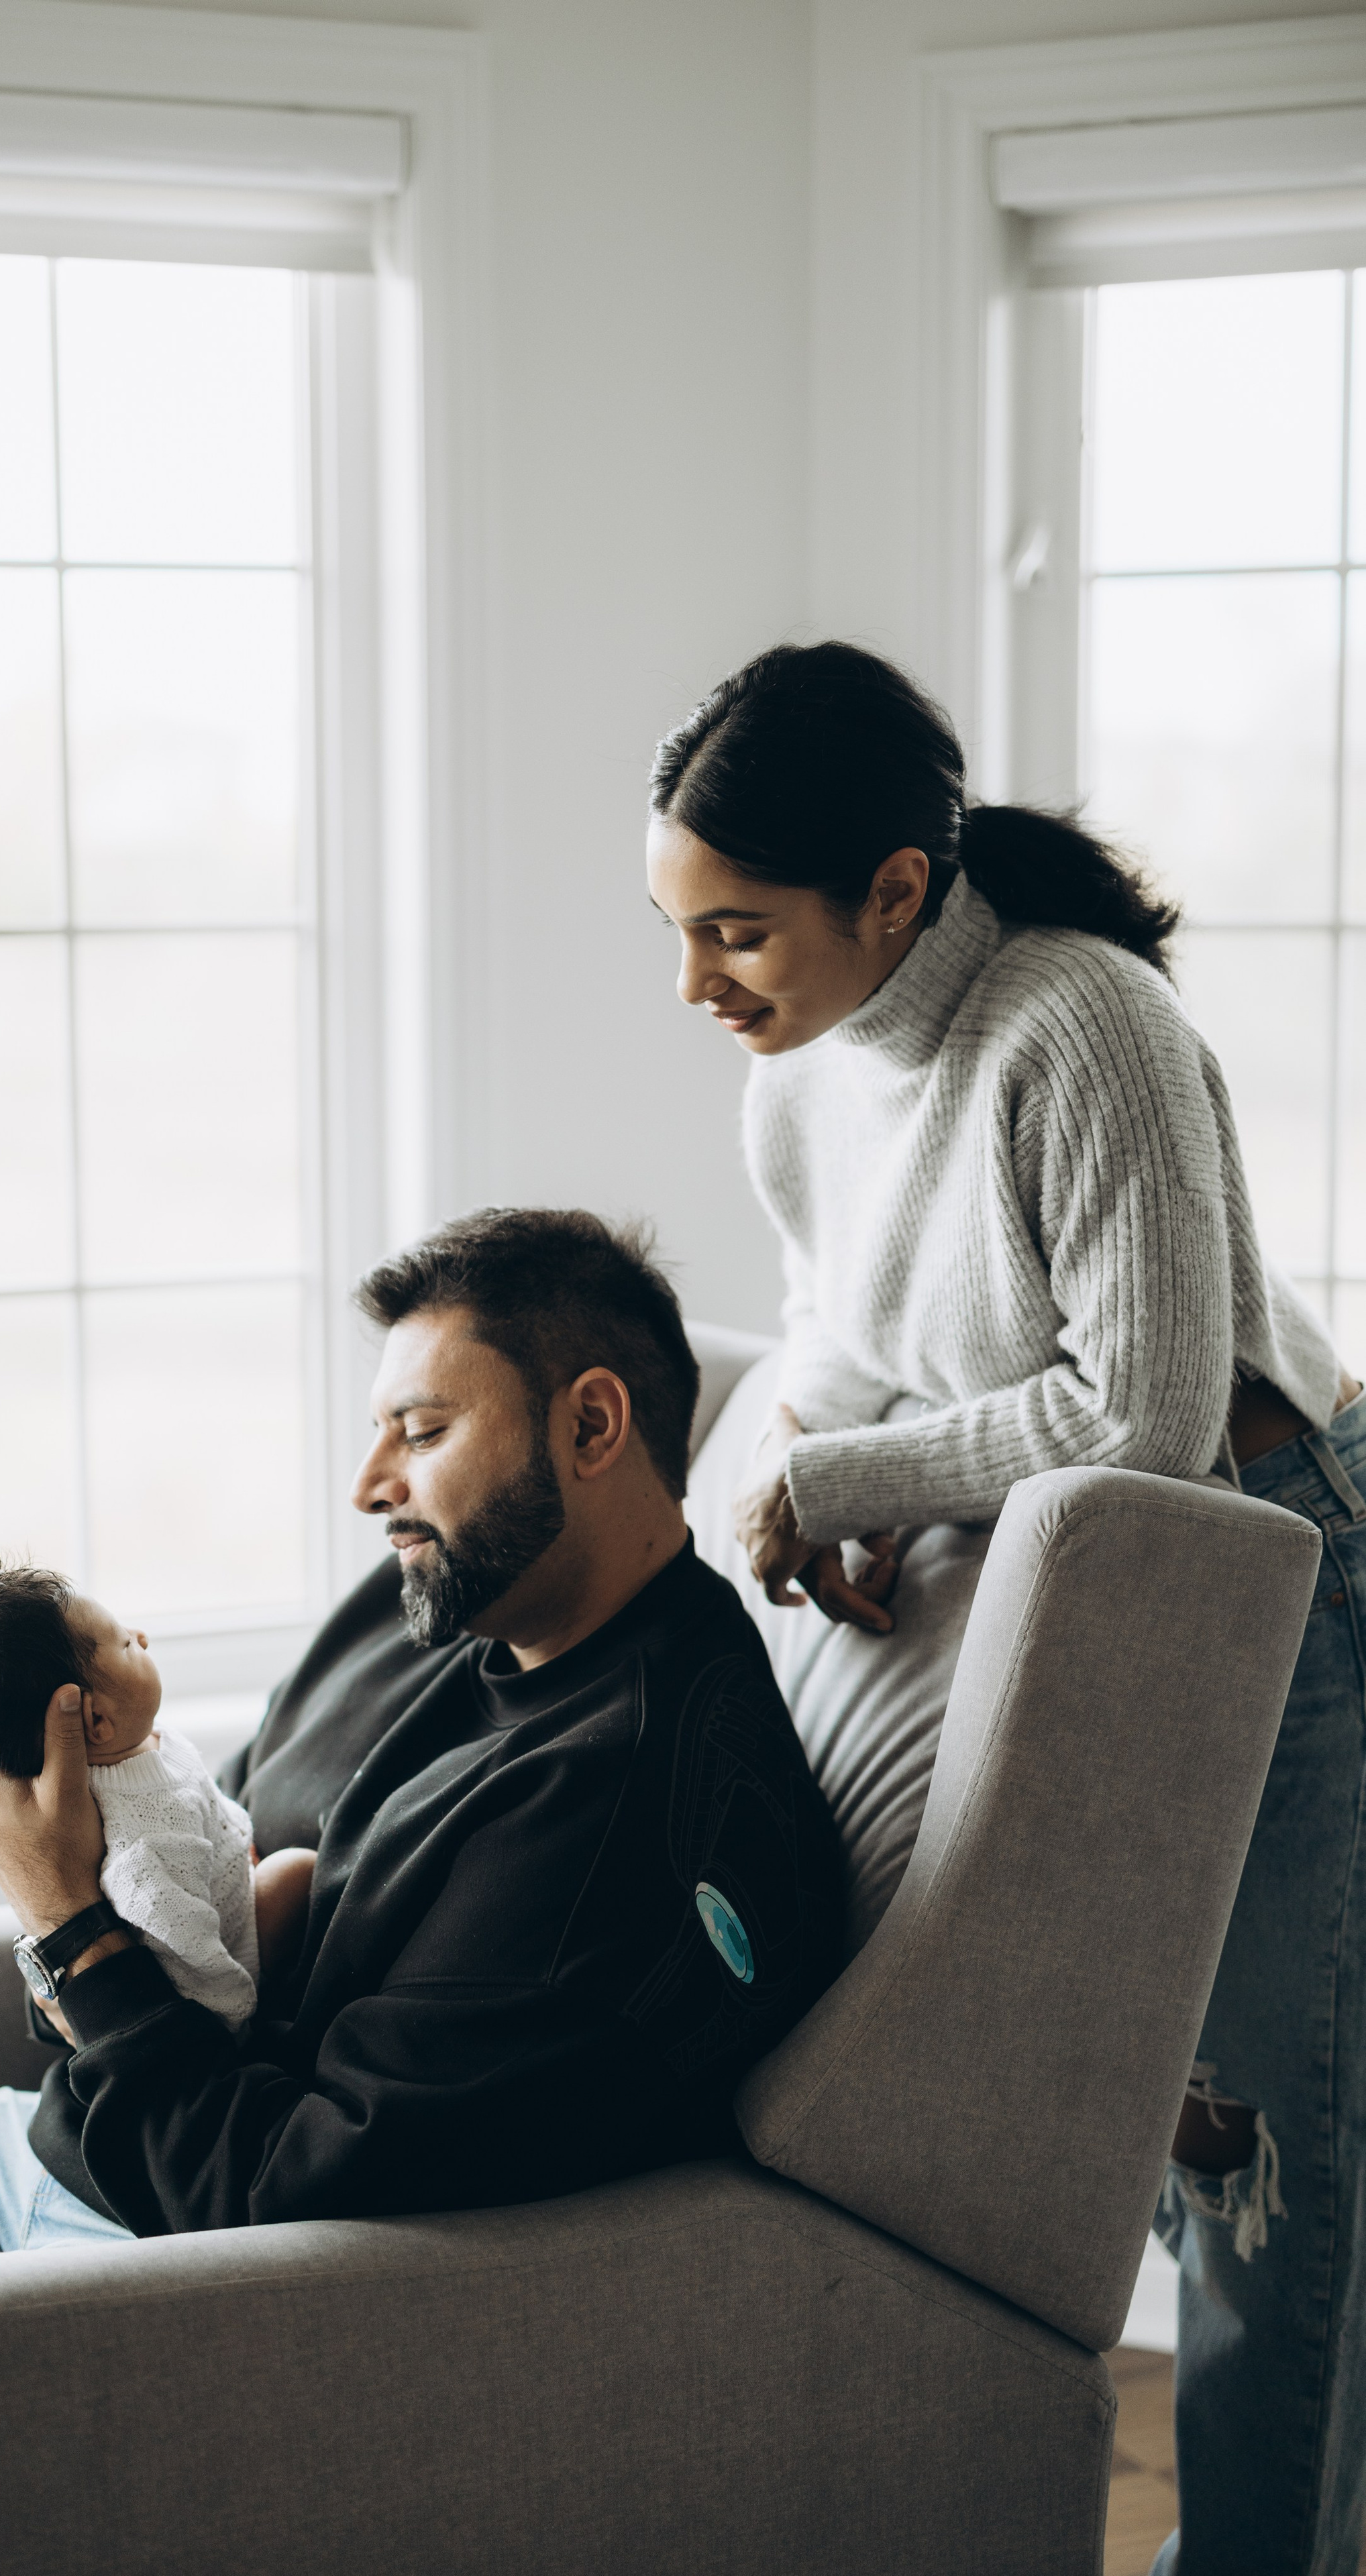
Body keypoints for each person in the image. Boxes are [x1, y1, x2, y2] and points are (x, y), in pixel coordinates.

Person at [0, 1206, 844, 2576]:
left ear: (589, 1427)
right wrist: (79, 1912)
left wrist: (61, 1922)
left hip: (173, 2266)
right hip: (74, 2147)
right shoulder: (445, 1616)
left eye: (423, 1431)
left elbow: (279, 2194)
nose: (368, 1484)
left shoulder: (617, 1813)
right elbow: (194, 1891)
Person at [647, 639, 1365, 2576]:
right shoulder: (800, 1080)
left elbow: (1147, 1414)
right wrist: (809, 1469)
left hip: (1272, 1572)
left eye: (737, 933)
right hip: (1072, 1590)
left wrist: (842, 1479)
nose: (701, 987)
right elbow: (838, 1348)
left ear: (895, 890)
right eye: (680, 931)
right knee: (1126, 2130)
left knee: (1268, 2161)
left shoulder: (1083, 1026)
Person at [0, 1564, 317, 2028]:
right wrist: (231, 2018)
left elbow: (199, 1798)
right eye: (125, 1644)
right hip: (225, 1957)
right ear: (96, 1722)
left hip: (224, 1876)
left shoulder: (137, 1739)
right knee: (297, 1873)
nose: (142, 1637)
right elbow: (187, 1952)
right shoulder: (142, 1845)